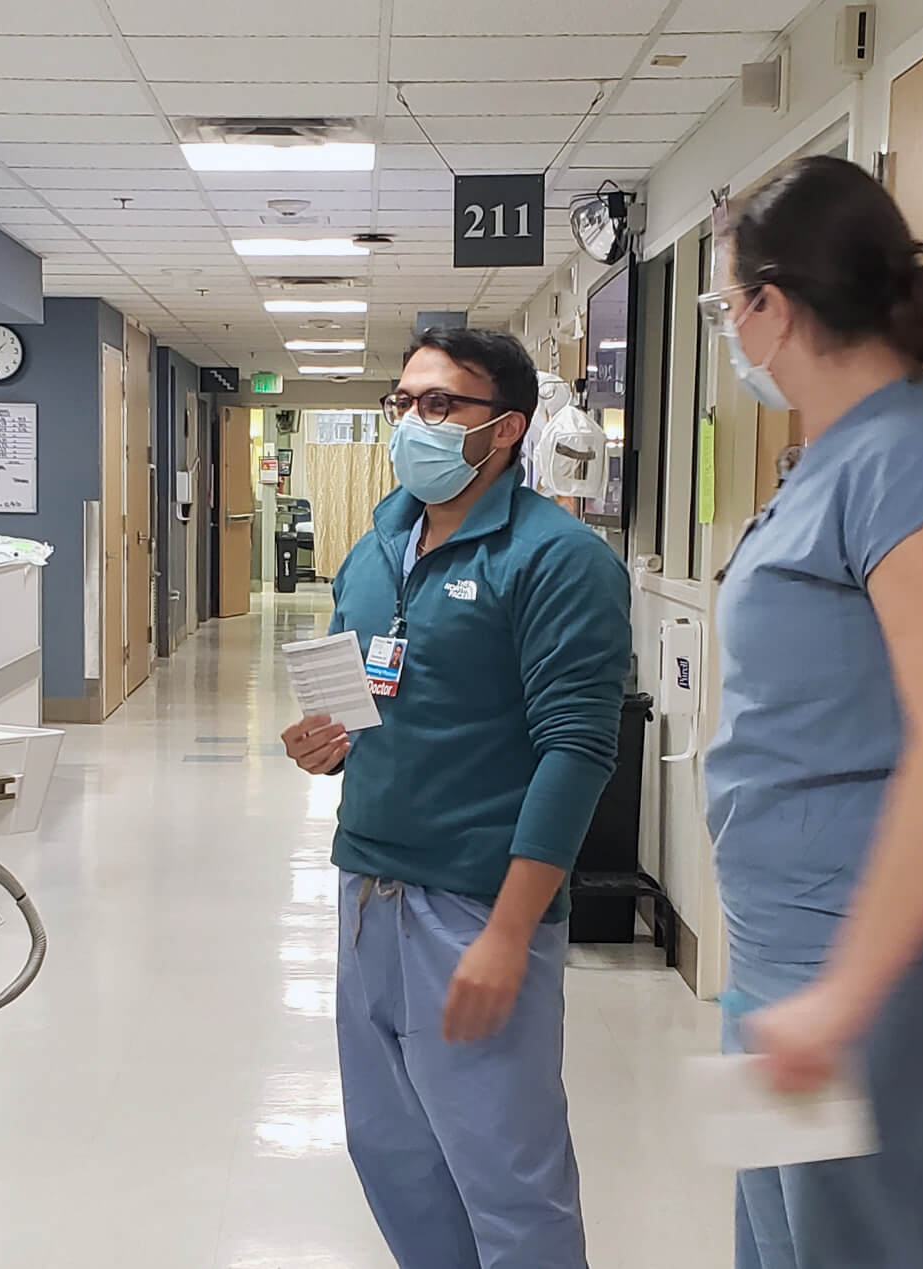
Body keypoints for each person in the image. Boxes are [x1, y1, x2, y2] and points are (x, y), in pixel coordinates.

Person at [704, 155, 923, 1269]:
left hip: (874, 973)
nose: (728, 329)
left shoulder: (908, 460)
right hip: (788, 957)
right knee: (786, 1248)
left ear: (772, 307)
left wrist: (843, 995)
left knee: (872, 1247)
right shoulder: (830, 461)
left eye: (724, 303)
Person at [280, 327, 630, 1269]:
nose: (414, 424)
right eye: (404, 403)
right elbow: (365, 700)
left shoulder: (556, 560)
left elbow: (578, 752)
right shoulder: (380, 543)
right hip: (367, 894)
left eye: (441, 405)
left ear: (505, 429)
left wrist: (510, 931)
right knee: (393, 1154)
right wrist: (325, 745)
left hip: (475, 905)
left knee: (507, 1175)